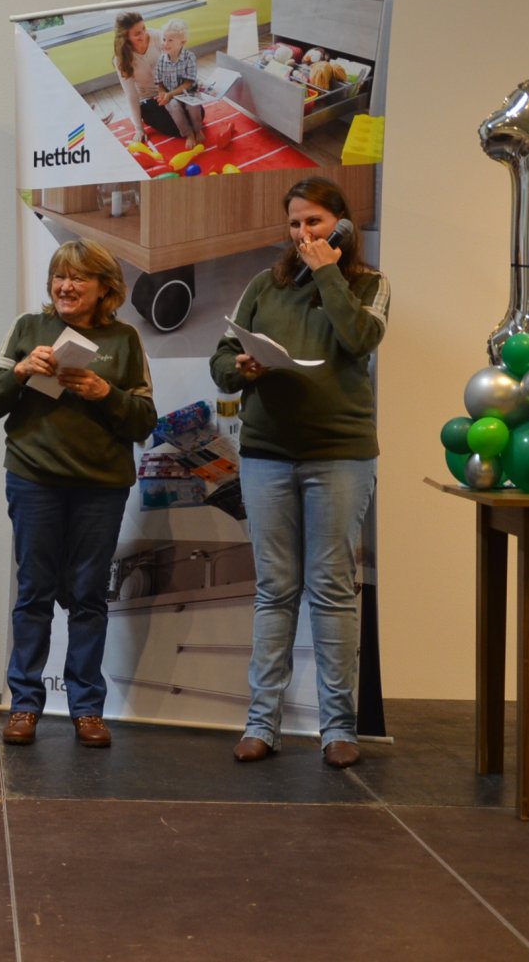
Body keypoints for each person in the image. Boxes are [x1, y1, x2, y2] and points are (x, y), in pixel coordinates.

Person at [210, 176, 389, 769]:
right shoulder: (265, 284)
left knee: (332, 589)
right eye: (294, 223)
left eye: (314, 221)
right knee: (274, 589)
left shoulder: (370, 284)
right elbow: (220, 359)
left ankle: (338, 728)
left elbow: (359, 339)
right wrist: (240, 366)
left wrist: (329, 274)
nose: (303, 232)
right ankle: (262, 723)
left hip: (339, 455)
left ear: (341, 224)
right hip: (267, 454)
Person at [0, 239, 155, 749]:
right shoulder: (28, 328)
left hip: (101, 486)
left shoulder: (124, 339)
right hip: (34, 478)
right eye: (59, 276)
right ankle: (25, 704)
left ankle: (87, 709)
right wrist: (19, 372)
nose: (65, 286)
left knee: (88, 596)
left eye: (78, 278)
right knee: (33, 592)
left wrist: (106, 394)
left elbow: (144, 420)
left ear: (105, 287)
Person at [113, 11, 184, 145]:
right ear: (126, 36)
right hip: (149, 100)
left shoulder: (157, 36)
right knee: (177, 129)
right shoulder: (120, 59)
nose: (143, 35)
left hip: (170, 90)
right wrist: (139, 129)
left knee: (198, 115)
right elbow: (131, 95)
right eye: (137, 34)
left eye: (143, 29)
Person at [152, 18, 208, 148]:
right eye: (164, 39)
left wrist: (170, 94)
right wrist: (163, 95)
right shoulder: (161, 60)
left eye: (170, 40)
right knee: (173, 106)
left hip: (189, 92)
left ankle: (197, 130)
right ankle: (188, 134)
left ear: (182, 42)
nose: (165, 43)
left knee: (193, 107)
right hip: (171, 96)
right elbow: (159, 83)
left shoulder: (189, 57)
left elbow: (189, 82)